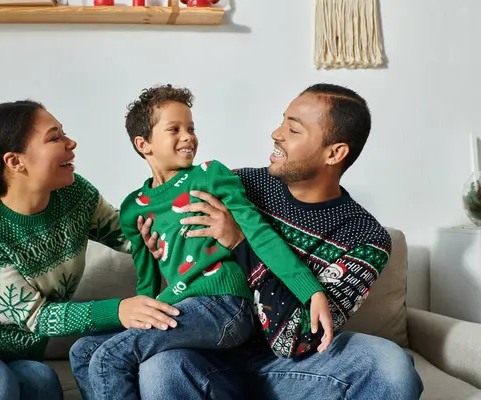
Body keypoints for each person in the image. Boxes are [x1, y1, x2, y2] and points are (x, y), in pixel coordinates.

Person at [74, 83, 424, 399]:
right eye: (281, 121)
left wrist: (240, 244)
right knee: (160, 366)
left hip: (289, 367)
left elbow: (299, 339)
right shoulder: (240, 182)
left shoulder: (365, 238)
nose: (276, 133)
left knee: (389, 365)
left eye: (293, 128)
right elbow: (185, 265)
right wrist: (162, 246)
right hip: (209, 356)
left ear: (334, 153)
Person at [0, 100, 181, 400]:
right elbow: (36, 317)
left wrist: (180, 207)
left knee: (44, 382)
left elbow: (131, 236)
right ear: (15, 161)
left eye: (64, 133)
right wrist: (119, 310)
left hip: (18, 359)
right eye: (54, 137)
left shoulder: (75, 194)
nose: (71, 143)